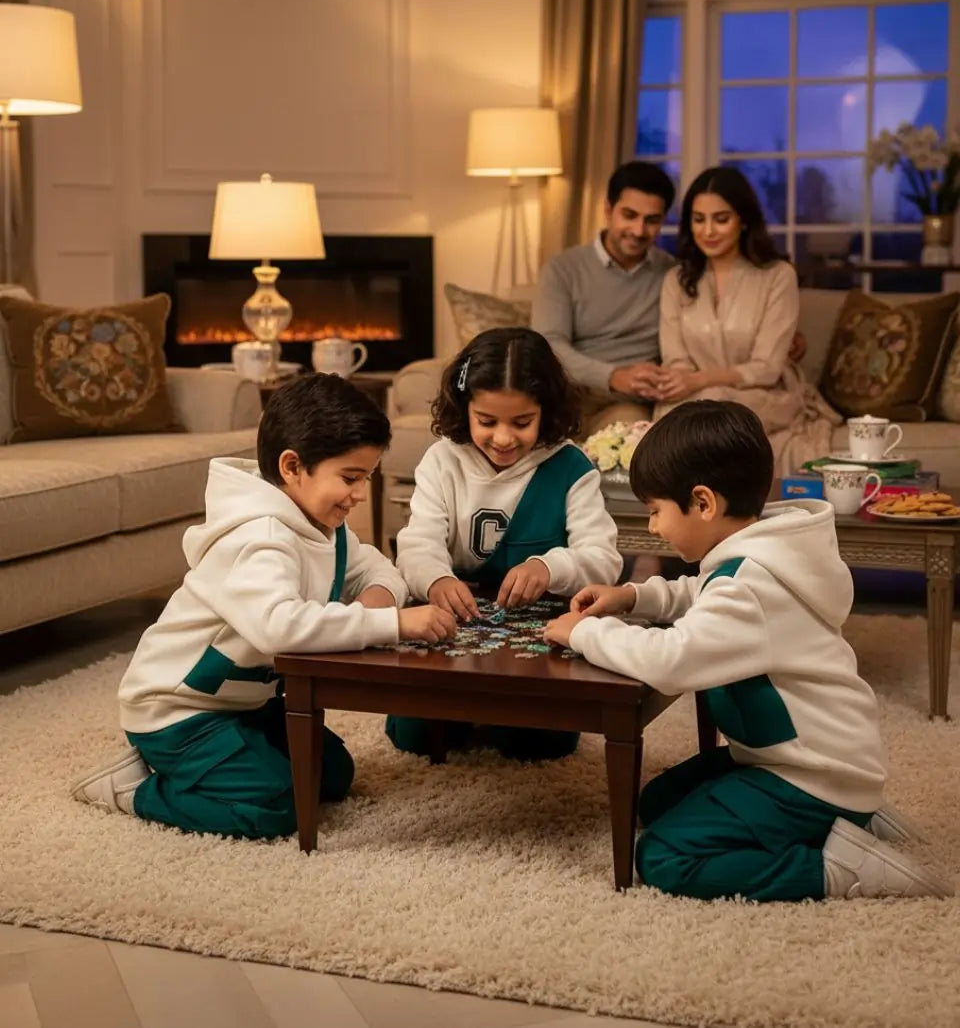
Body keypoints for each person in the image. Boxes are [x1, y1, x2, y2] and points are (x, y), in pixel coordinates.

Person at [544, 400, 953, 902]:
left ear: (703, 502)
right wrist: (632, 596)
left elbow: (673, 660)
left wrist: (583, 634)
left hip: (807, 777)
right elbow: (699, 592)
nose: (652, 528)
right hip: (803, 759)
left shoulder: (750, 587)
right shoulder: (760, 557)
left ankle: (836, 866)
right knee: (656, 802)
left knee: (663, 856)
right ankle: (852, 815)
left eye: (655, 512)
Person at [72, 374, 456, 838]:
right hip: (179, 709)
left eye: (367, 477)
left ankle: (220, 762)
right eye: (350, 478)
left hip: (248, 704)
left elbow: (379, 568)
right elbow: (280, 628)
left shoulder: (321, 524)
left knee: (334, 777)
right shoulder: (258, 539)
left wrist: (377, 600)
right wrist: (390, 623)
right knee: (278, 808)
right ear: (293, 467)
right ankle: (133, 789)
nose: (359, 494)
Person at [390, 326, 622, 759]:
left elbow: (603, 560)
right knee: (415, 737)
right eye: (486, 421)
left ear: (546, 411)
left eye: (521, 423)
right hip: (456, 628)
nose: (502, 438)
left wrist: (549, 567)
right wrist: (436, 580)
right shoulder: (442, 461)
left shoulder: (570, 467)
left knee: (543, 744)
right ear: (465, 408)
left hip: (542, 635)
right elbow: (418, 543)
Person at [654, 165, 838, 475]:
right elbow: (676, 361)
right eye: (699, 220)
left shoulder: (778, 276)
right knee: (688, 420)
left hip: (765, 396)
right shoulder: (676, 279)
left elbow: (766, 368)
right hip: (692, 398)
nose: (708, 231)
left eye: (721, 219)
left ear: (743, 221)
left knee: (712, 410)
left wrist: (700, 380)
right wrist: (685, 382)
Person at [532, 160, 676, 433]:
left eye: (651, 220)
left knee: (631, 436)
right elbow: (548, 345)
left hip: (626, 405)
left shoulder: (670, 273)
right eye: (629, 215)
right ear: (608, 210)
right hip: (565, 395)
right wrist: (612, 376)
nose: (638, 230)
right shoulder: (563, 268)